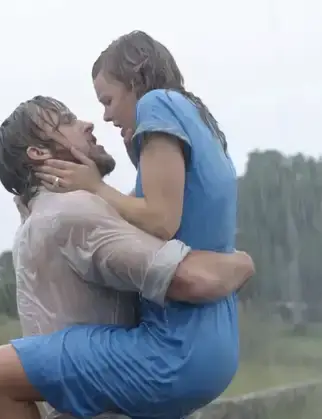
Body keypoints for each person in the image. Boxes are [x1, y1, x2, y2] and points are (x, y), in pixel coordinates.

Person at [0, 96, 253, 419]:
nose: (87, 124)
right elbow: (192, 280)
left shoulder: (36, 220)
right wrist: (242, 262)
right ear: (39, 153)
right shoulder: (71, 211)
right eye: (66, 121)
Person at [35, 30, 242, 414]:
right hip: (218, 335)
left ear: (137, 78)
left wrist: (95, 186)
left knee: (0, 373)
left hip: (177, 343)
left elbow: (161, 221)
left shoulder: (157, 103)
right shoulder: (197, 117)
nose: (106, 116)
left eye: (108, 100)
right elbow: (177, 208)